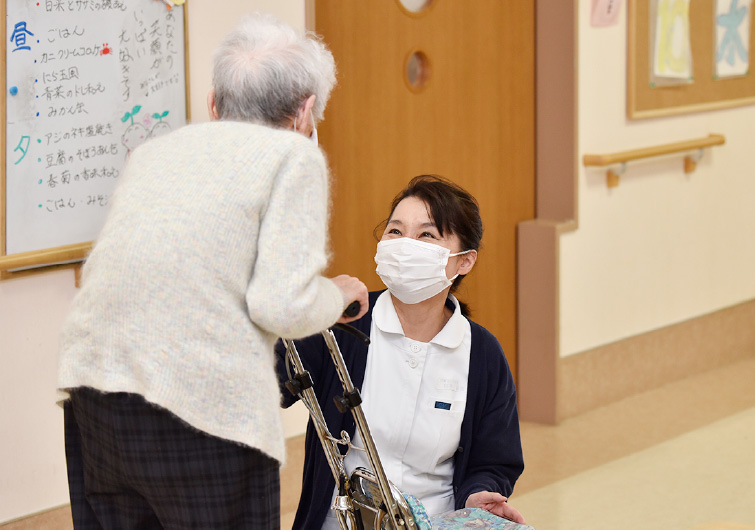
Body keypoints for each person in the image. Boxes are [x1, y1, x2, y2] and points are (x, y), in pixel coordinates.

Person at [57, 14, 368, 530]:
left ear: (212, 103)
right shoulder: (292, 158)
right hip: (195, 409)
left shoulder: (157, 154)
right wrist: (334, 296)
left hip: (95, 393)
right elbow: (280, 305)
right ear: (305, 112)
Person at [277, 175, 525, 529]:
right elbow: (266, 381)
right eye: (395, 231)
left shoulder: (481, 353)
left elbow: (494, 461)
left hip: (434, 522)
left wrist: (478, 495)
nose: (405, 245)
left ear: (464, 261)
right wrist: (306, 310)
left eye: (426, 235)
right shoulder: (344, 326)